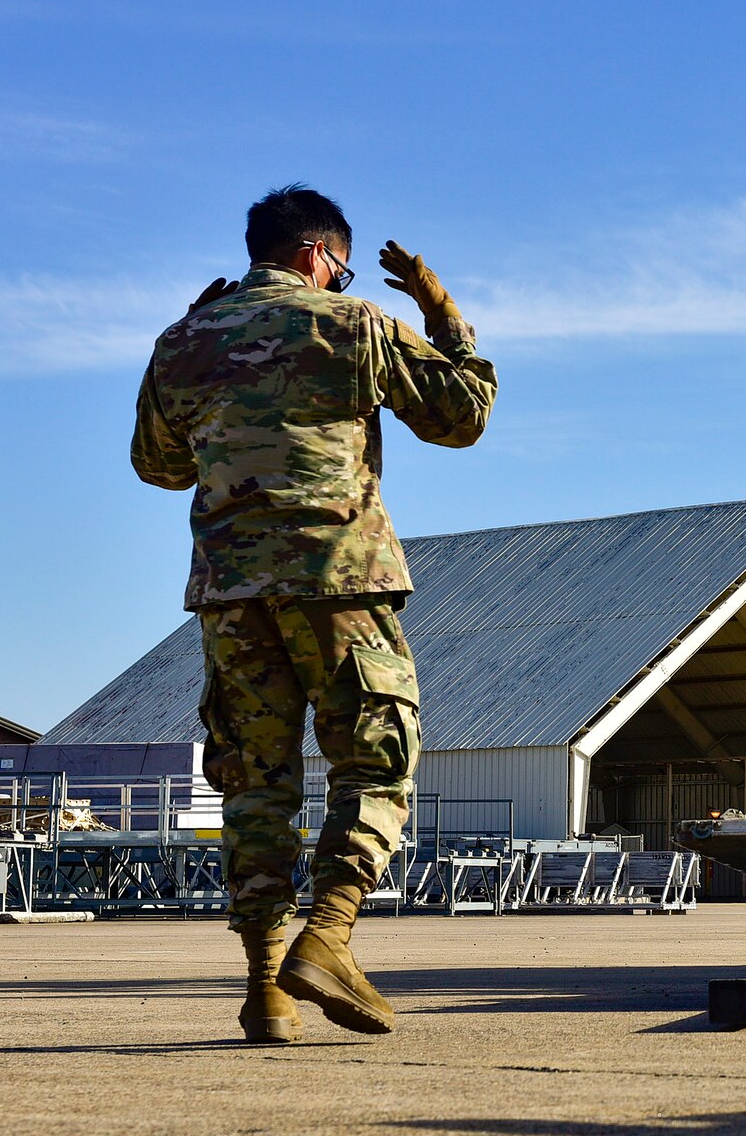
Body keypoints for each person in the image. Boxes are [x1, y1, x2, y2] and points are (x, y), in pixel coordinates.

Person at [131, 185, 496, 1043]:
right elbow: (463, 415)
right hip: (339, 581)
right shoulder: (356, 326)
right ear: (314, 256)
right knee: (376, 762)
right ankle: (326, 936)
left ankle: (266, 989)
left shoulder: (183, 340)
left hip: (231, 596)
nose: (341, 280)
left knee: (254, 787)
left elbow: (156, 464)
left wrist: (196, 365)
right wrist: (444, 312)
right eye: (341, 266)